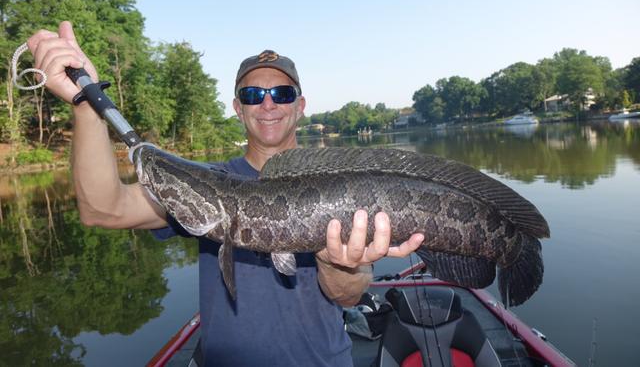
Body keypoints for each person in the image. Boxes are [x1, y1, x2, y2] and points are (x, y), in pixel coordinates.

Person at [27, 21, 425, 366]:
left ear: (300, 106)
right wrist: (84, 102)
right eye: (253, 95)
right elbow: (103, 209)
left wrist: (339, 264)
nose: (267, 104)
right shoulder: (208, 185)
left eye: (282, 94)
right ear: (237, 107)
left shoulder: (338, 185)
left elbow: (348, 297)